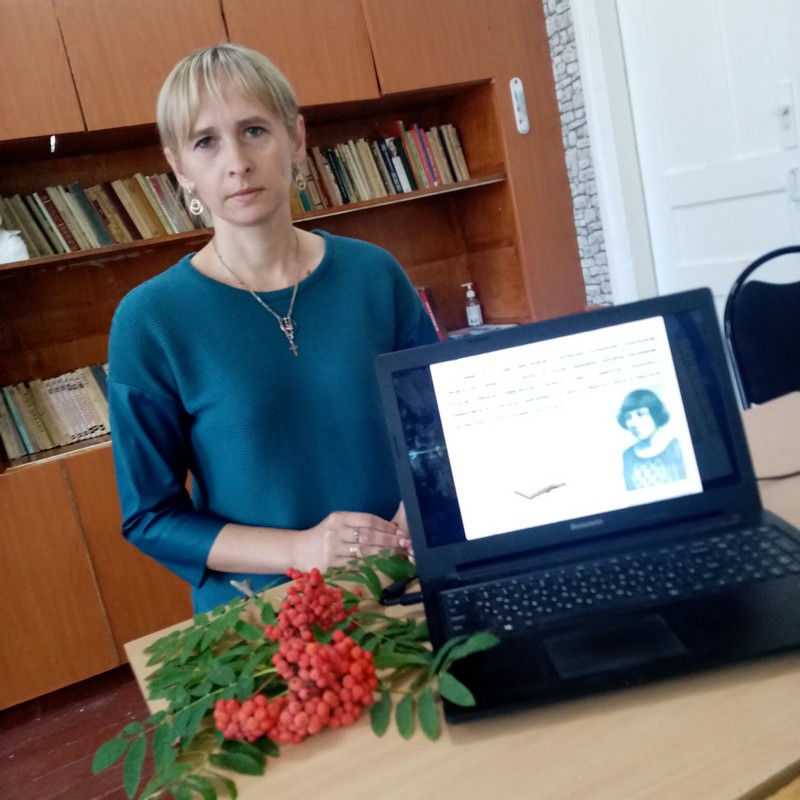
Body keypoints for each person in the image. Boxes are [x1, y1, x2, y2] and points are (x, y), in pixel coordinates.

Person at [107, 44, 438, 613]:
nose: (236, 161)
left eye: (254, 130)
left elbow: (438, 426)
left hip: (406, 578)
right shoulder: (150, 319)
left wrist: (408, 527)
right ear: (180, 168)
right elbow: (151, 516)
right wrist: (304, 550)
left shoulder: (374, 274)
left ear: (297, 138)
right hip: (263, 612)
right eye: (205, 142)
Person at [616, 389, 687, 490]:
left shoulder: (677, 448)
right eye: (628, 417)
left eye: (640, 414)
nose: (633, 423)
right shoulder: (628, 455)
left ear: (655, 414)